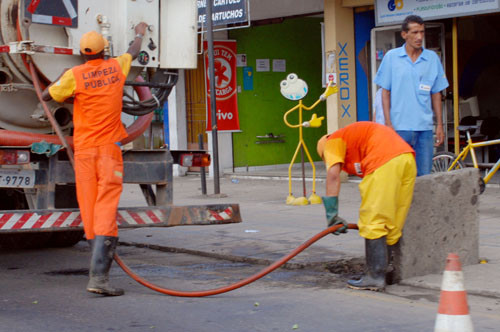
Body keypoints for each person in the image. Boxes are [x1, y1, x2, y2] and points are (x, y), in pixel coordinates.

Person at [42, 23, 148, 296]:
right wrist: (139, 32)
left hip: (85, 152)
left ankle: (96, 275)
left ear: (82, 53)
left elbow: (46, 95)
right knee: (105, 207)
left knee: (88, 206)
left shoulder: (75, 75)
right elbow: (133, 52)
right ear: (104, 51)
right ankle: (99, 279)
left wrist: (64, 78)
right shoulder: (116, 66)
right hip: (107, 151)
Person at [317, 122, 416, 291]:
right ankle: (387, 272)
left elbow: (333, 176)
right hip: (406, 159)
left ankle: (375, 276)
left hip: (383, 160)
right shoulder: (352, 141)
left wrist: (331, 215)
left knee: (373, 220)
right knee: (392, 221)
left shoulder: (332, 141)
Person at [374, 15, 449, 176]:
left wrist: (440, 125)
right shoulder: (392, 57)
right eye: (415, 32)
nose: (419, 37)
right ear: (404, 35)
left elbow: (436, 93)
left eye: (422, 32)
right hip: (399, 129)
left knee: (424, 177)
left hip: (425, 129)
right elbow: (385, 92)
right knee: (399, 175)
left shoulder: (432, 59)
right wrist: (388, 123)